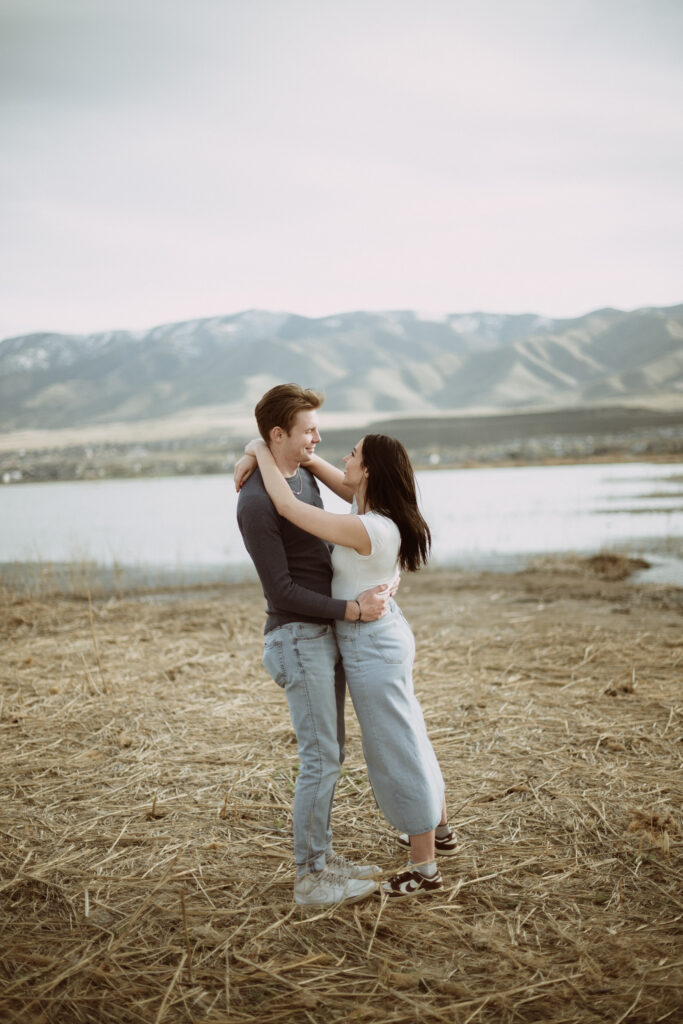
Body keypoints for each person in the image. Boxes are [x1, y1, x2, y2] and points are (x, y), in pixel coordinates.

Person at [242, 428, 456, 899]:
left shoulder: (367, 527)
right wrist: (302, 459)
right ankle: (438, 830)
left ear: (370, 471)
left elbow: (290, 509)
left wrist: (258, 451)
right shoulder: (373, 513)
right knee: (411, 734)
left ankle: (425, 869)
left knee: (397, 749)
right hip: (381, 638)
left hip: (372, 646)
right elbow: (341, 484)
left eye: (353, 455)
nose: (343, 458)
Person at [235, 384, 392, 908]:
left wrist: (257, 448)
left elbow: (356, 501)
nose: (318, 439)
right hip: (297, 637)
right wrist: (352, 610)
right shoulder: (257, 501)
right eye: (308, 431)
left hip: (320, 635)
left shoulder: (299, 473)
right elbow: (280, 590)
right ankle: (310, 878)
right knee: (320, 757)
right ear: (280, 433)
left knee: (331, 753)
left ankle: (322, 859)